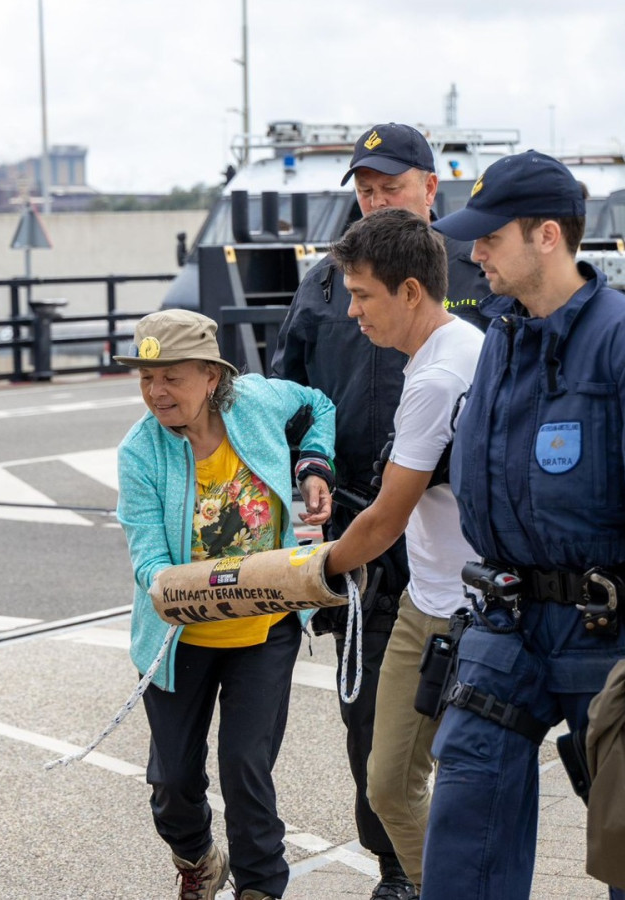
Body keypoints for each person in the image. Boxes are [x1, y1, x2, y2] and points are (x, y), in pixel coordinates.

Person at [423, 149, 625, 900]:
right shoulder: (503, 337)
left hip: (609, 626)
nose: (476, 251)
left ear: (548, 236)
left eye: (492, 236)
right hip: (511, 621)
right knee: (466, 801)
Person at [270, 122, 489, 900]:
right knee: (368, 711)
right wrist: (309, 466)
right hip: (358, 520)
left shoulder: (475, 270)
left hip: (444, 537)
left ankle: (460, 867)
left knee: (467, 720)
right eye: (363, 189)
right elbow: (288, 388)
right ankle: (398, 869)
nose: (373, 200)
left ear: (432, 188)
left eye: (389, 186)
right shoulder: (326, 282)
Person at [115, 309, 336, 900]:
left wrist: (315, 464)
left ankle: (261, 888)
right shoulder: (140, 452)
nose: (156, 392)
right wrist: (166, 584)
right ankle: (197, 857)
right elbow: (147, 556)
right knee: (173, 783)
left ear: (212, 377)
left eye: (172, 377)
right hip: (178, 639)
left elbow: (318, 404)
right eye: (146, 377)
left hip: (264, 631)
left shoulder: (258, 403)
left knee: (246, 770)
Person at [317, 208, 484, 892]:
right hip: (431, 595)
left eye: (363, 295)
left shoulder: (438, 379)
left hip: (462, 613)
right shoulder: (466, 344)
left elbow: (386, 518)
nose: (353, 312)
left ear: (410, 291)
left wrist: (317, 571)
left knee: (423, 787)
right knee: (393, 785)